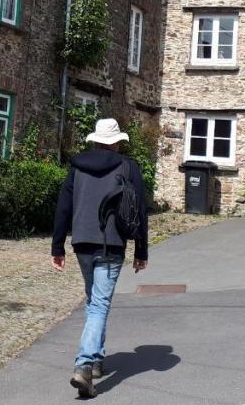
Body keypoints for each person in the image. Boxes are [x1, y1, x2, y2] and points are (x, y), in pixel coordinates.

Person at [51, 117, 149, 398]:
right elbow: (139, 211)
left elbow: (63, 207)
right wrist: (141, 251)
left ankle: (95, 361)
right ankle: (83, 366)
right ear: (117, 142)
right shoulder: (128, 167)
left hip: (82, 243)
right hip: (112, 245)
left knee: (95, 301)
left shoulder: (77, 166)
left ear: (94, 140)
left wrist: (57, 247)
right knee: (100, 304)